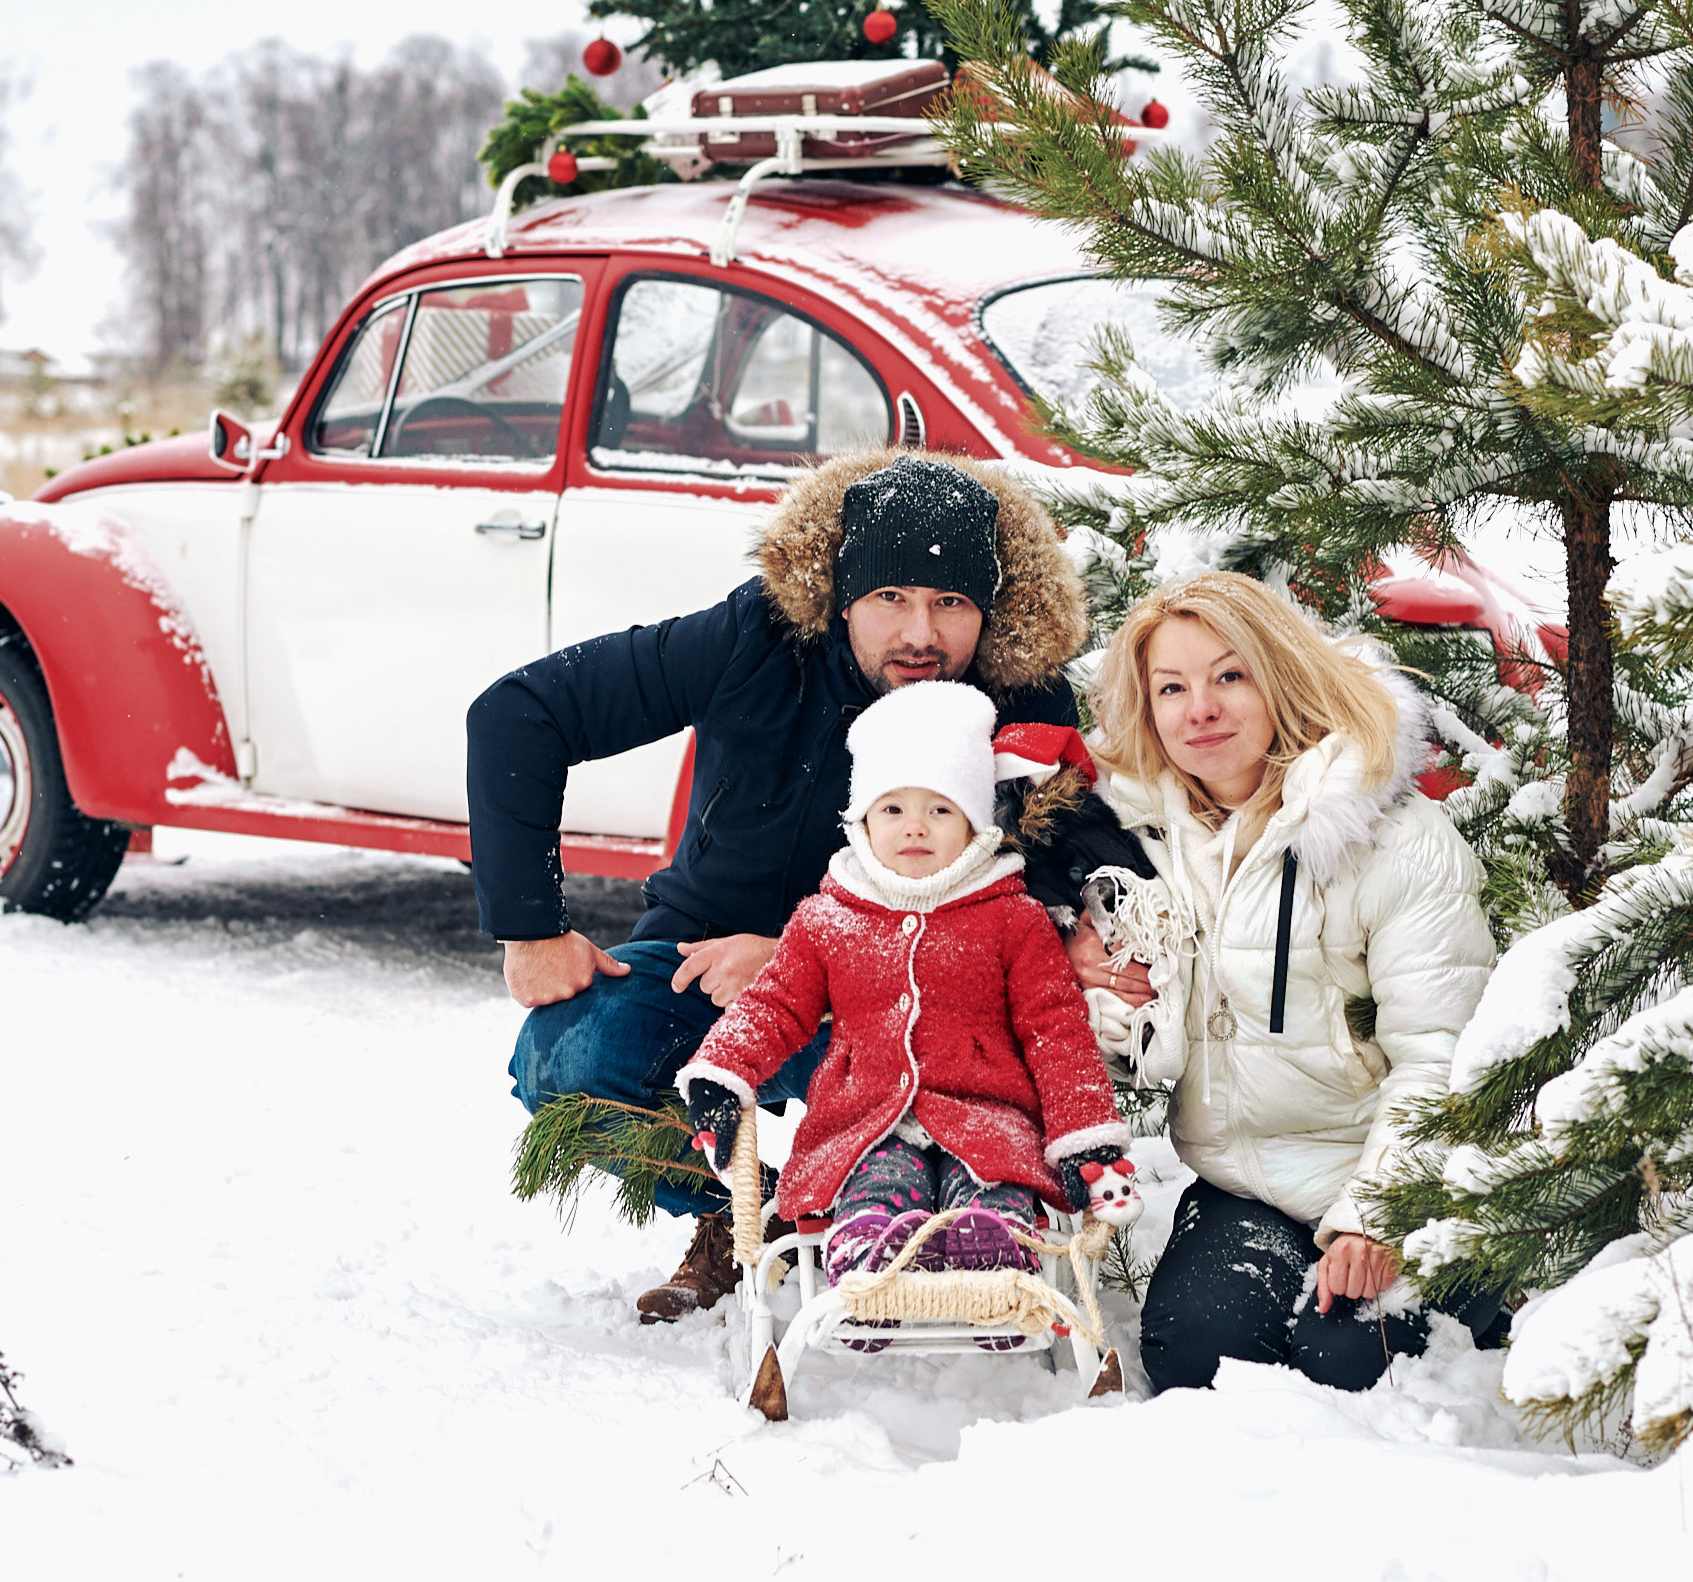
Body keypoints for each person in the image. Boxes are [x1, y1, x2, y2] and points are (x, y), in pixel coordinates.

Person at [466, 450, 1085, 1322]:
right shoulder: (755, 637)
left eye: (950, 603)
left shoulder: (1024, 697)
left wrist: (807, 957)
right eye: (890, 599)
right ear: (840, 598)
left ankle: (911, 1214)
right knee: (564, 1060)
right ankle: (750, 1214)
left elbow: (1046, 893)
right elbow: (519, 713)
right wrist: (529, 926)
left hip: (919, 1002)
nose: (921, 633)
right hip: (710, 960)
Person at [1075, 571, 1499, 1393]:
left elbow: (1443, 1055)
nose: (1200, 709)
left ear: (1282, 678)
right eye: (1172, 687)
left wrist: (1380, 1216)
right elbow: (1126, 1037)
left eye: (1229, 676)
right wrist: (1090, 977)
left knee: (1351, 1364)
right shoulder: (1146, 844)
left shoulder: (1389, 839)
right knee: (1195, 1357)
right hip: (1250, 1181)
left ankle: (1479, 1291)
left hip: (1407, 1181)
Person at [674, 681, 1130, 1349]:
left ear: (975, 823)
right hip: (865, 1119)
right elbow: (774, 1005)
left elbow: (1055, 1029)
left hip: (987, 1116)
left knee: (994, 1180)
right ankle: (871, 1270)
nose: (914, 825)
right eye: (893, 807)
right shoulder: (828, 918)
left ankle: (994, 1267)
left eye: (940, 808)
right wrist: (722, 1068)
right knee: (878, 1181)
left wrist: (1086, 1133)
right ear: (862, 820)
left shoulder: (1013, 917)